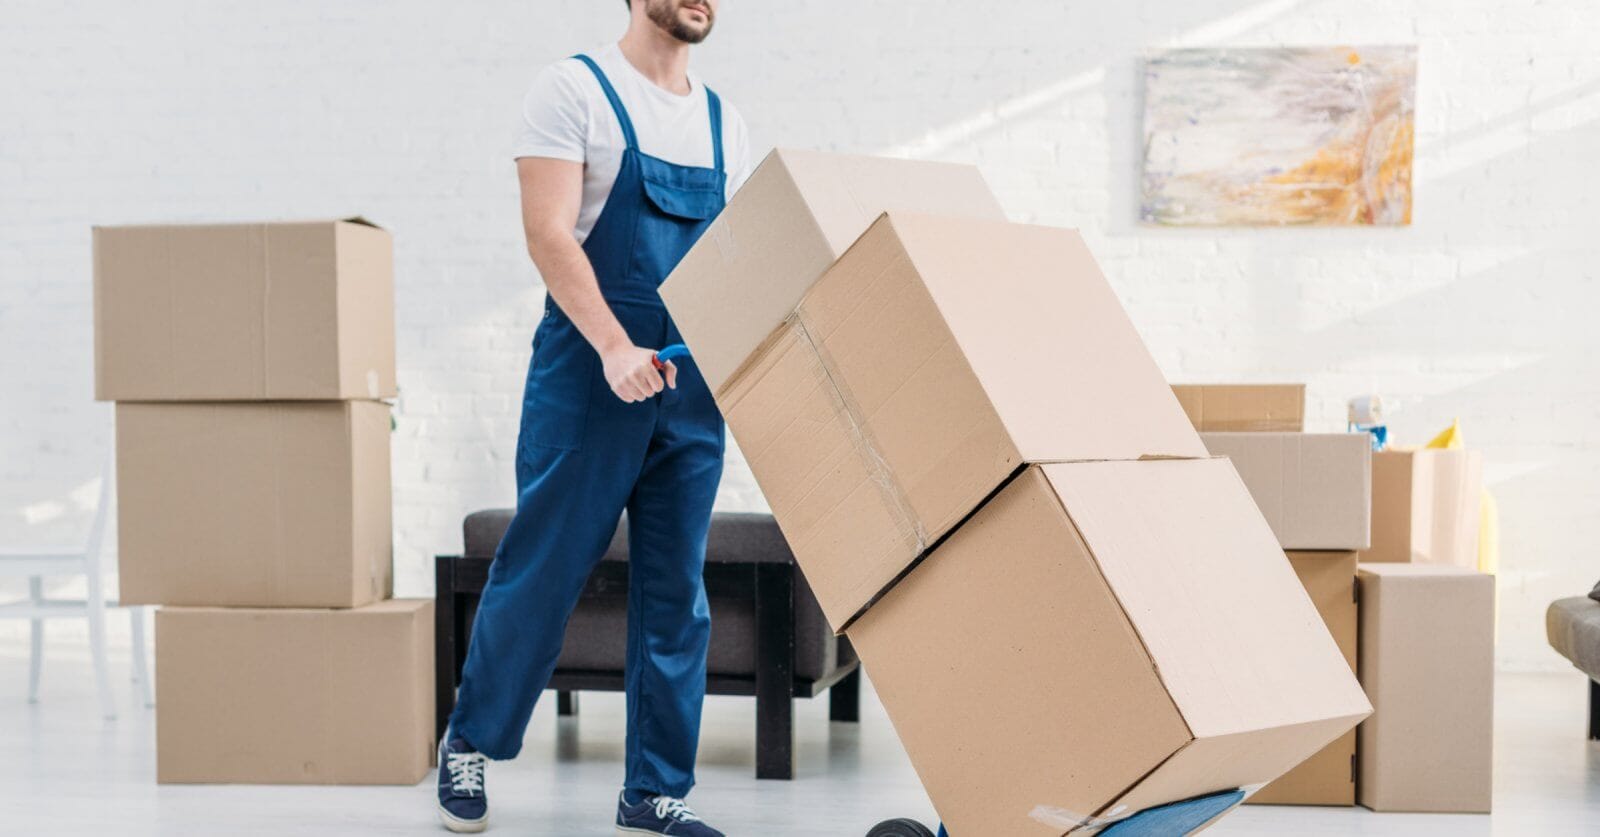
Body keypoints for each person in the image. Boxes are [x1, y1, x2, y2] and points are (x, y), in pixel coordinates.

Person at [435, 1, 749, 833]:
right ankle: (471, 738)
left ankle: (653, 788)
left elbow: (728, 265)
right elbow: (548, 234)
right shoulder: (573, 89)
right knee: (544, 569)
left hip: (688, 384)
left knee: (676, 590)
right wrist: (613, 347)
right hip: (589, 371)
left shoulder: (727, 125)